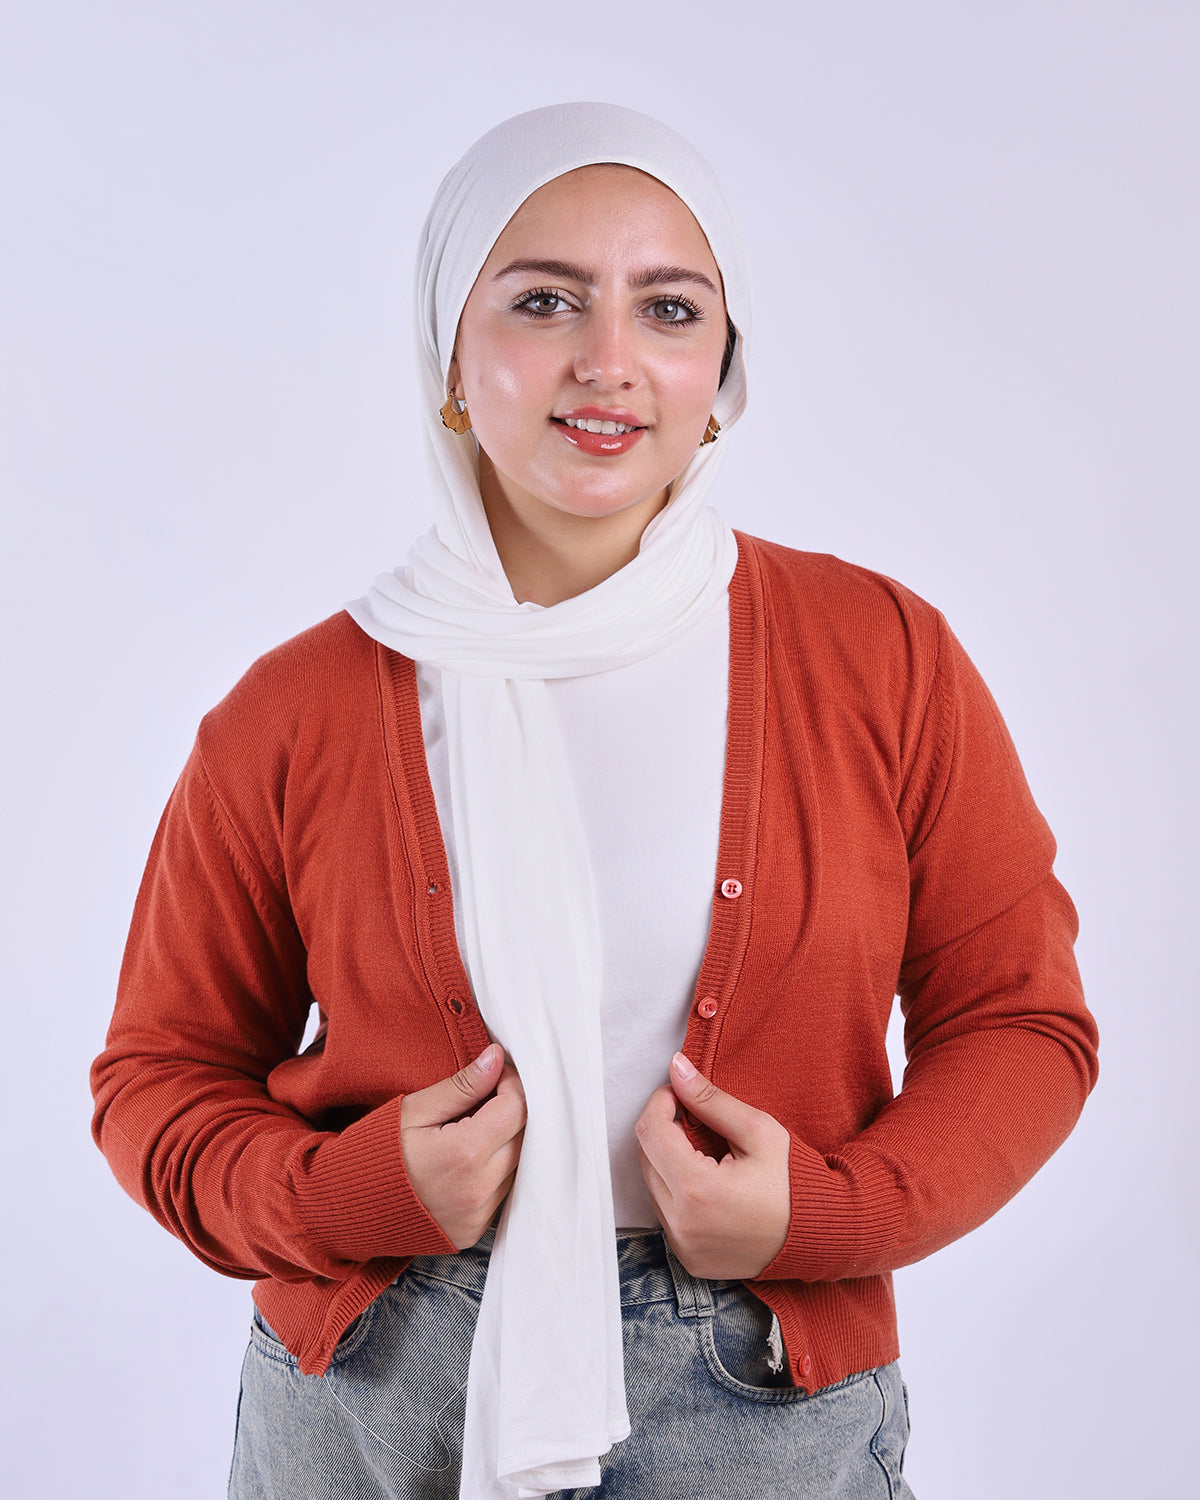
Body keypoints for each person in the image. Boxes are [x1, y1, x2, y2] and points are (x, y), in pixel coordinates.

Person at [91, 103, 1099, 1500]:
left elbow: (1021, 1022)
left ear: (723, 371)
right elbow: (156, 1079)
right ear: (451, 352)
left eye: (669, 308)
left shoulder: (884, 657)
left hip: (767, 1396)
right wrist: (346, 1198)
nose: (608, 361)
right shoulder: (296, 709)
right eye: (544, 300)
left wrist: (830, 1213)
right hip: (377, 1393)